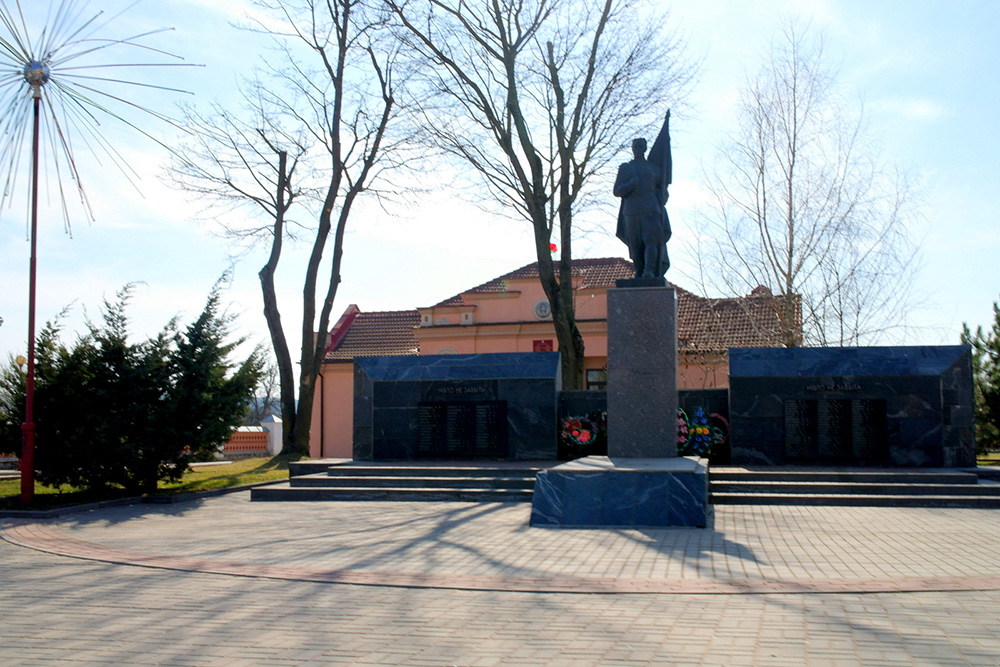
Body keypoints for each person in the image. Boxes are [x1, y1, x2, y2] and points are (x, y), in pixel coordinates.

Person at [613, 111, 672, 279]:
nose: (638, 150)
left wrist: (662, 198)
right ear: (632, 149)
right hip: (631, 211)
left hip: (651, 210)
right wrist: (630, 185)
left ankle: (649, 271)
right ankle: (639, 272)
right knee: (636, 245)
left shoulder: (654, 169)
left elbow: (664, 191)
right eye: (635, 147)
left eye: (640, 147)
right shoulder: (626, 168)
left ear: (645, 148)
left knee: (651, 242)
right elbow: (617, 191)